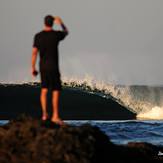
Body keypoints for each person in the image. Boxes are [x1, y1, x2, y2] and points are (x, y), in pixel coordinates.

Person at [31, 15, 68, 125]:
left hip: (43, 67)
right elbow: (66, 32)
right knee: (56, 91)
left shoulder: (38, 36)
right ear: (52, 23)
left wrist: (32, 68)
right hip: (53, 67)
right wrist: (61, 22)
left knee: (44, 90)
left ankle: (44, 115)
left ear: (44, 23)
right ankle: (55, 116)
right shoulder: (56, 35)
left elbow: (34, 53)